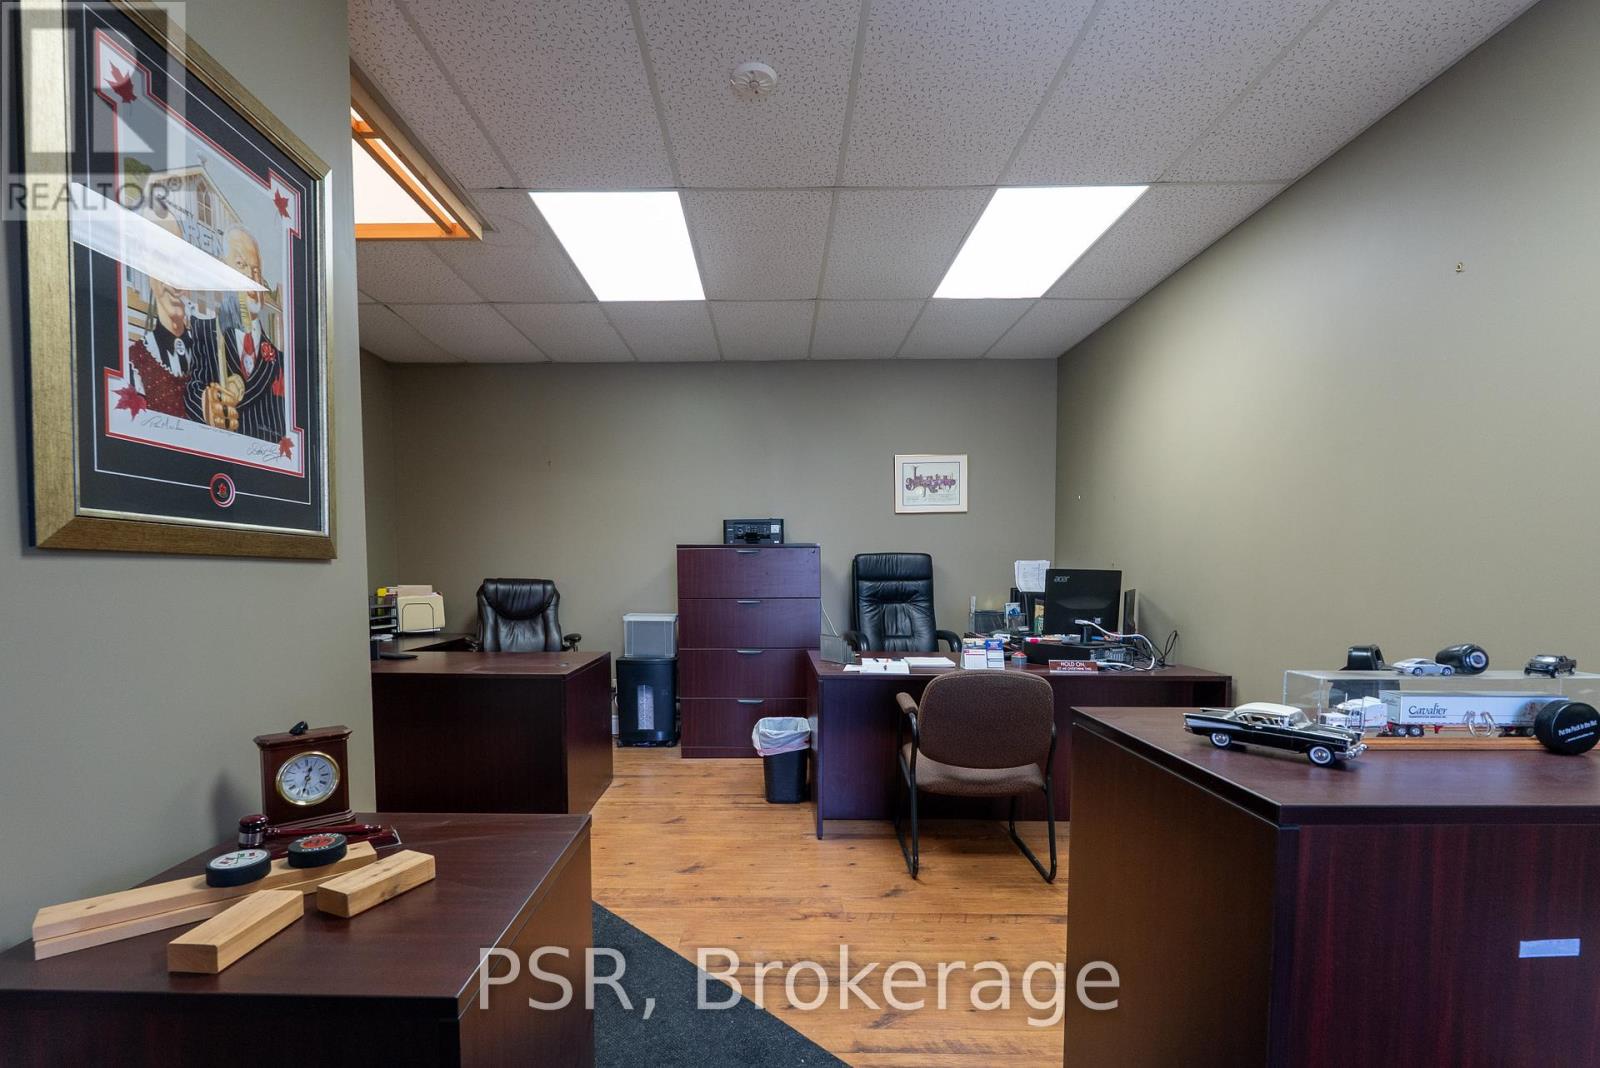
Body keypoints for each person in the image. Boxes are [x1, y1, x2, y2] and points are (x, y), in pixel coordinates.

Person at [206, 226, 286, 443]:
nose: (251, 278)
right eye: (241, 265)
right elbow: (193, 389)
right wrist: (207, 405)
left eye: (256, 271)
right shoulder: (205, 336)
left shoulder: (281, 363)